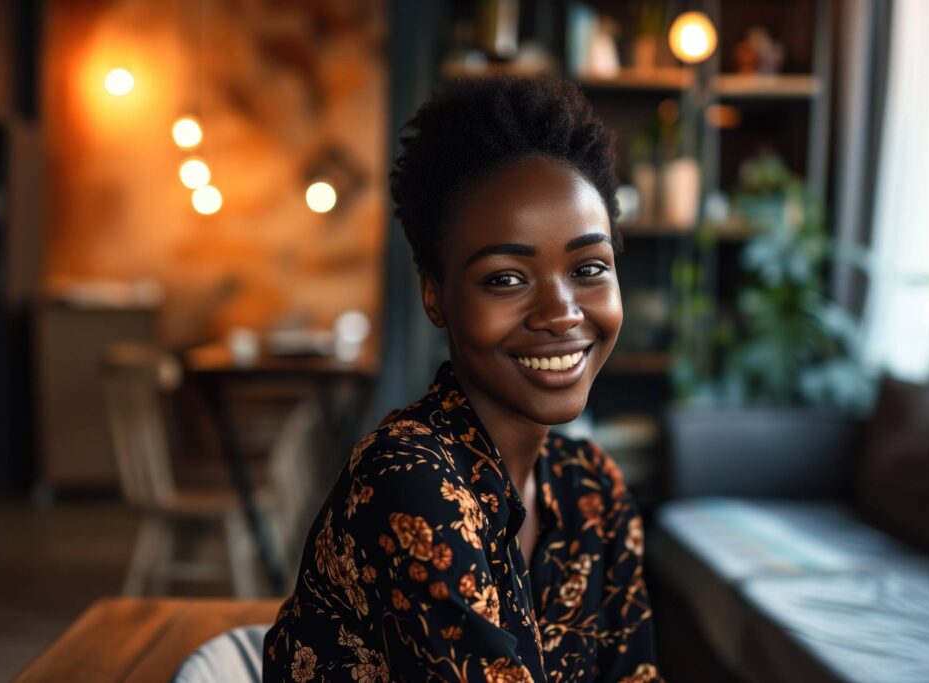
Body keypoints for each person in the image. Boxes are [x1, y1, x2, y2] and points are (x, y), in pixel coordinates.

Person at [263, 77, 660, 683]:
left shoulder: (593, 495)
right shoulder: (410, 479)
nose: (561, 313)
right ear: (435, 295)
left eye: (589, 268)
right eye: (506, 278)